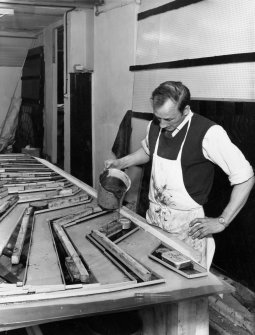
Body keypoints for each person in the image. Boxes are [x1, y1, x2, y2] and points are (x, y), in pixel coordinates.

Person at [105, 81, 254, 268]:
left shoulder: (208, 133)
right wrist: (121, 162)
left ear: (186, 110)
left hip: (187, 229)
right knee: (152, 272)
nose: (162, 124)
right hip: (154, 220)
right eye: (158, 117)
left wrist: (222, 221)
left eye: (169, 119)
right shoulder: (155, 126)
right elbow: (149, 151)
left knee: (184, 285)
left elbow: (245, 177)